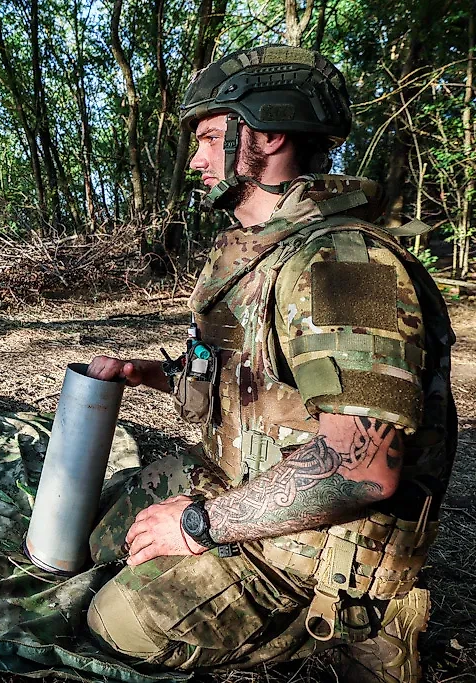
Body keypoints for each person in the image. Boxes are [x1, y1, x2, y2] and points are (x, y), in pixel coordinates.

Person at [84, 45, 455, 683]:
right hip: (244, 482)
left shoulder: (343, 268)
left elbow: (362, 467)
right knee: (104, 528)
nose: (196, 160)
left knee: (124, 620)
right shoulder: (261, 254)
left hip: (318, 545)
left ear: (268, 133)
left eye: (207, 137)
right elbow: (257, 391)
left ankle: (352, 632)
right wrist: (151, 373)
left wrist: (200, 524)